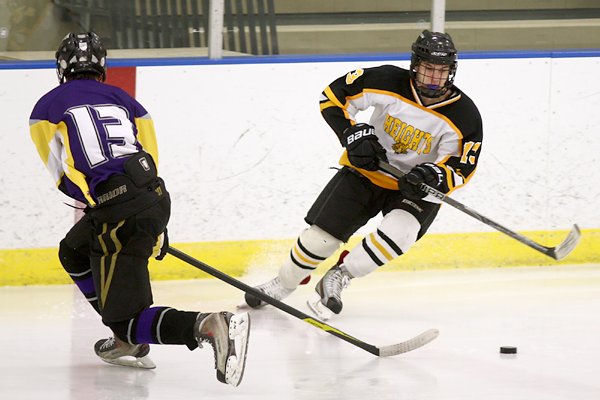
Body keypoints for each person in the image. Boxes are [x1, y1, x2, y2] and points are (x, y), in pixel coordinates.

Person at [29, 32, 250, 386]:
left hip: (115, 210)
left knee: (128, 319)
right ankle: (125, 338)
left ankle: (206, 325)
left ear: (61, 68)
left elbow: (64, 177)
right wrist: (153, 221)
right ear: (102, 66)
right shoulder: (127, 100)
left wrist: (102, 204)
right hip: (153, 196)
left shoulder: (44, 109)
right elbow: (150, 158)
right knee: (73, 251)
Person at [244, 30, 483, 320]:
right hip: (367, 170)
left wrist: (432, 175)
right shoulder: (387, 80)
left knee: (401, 233)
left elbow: (461, 167)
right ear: (414, 65)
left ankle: (339, 276)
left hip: (413, 188)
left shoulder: (465, 115)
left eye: (441, 71)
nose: (434, 78)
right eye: (428, 69)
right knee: (320, 240)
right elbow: (332, 97)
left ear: (451, 71)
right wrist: (352, 134)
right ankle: (283, 283)